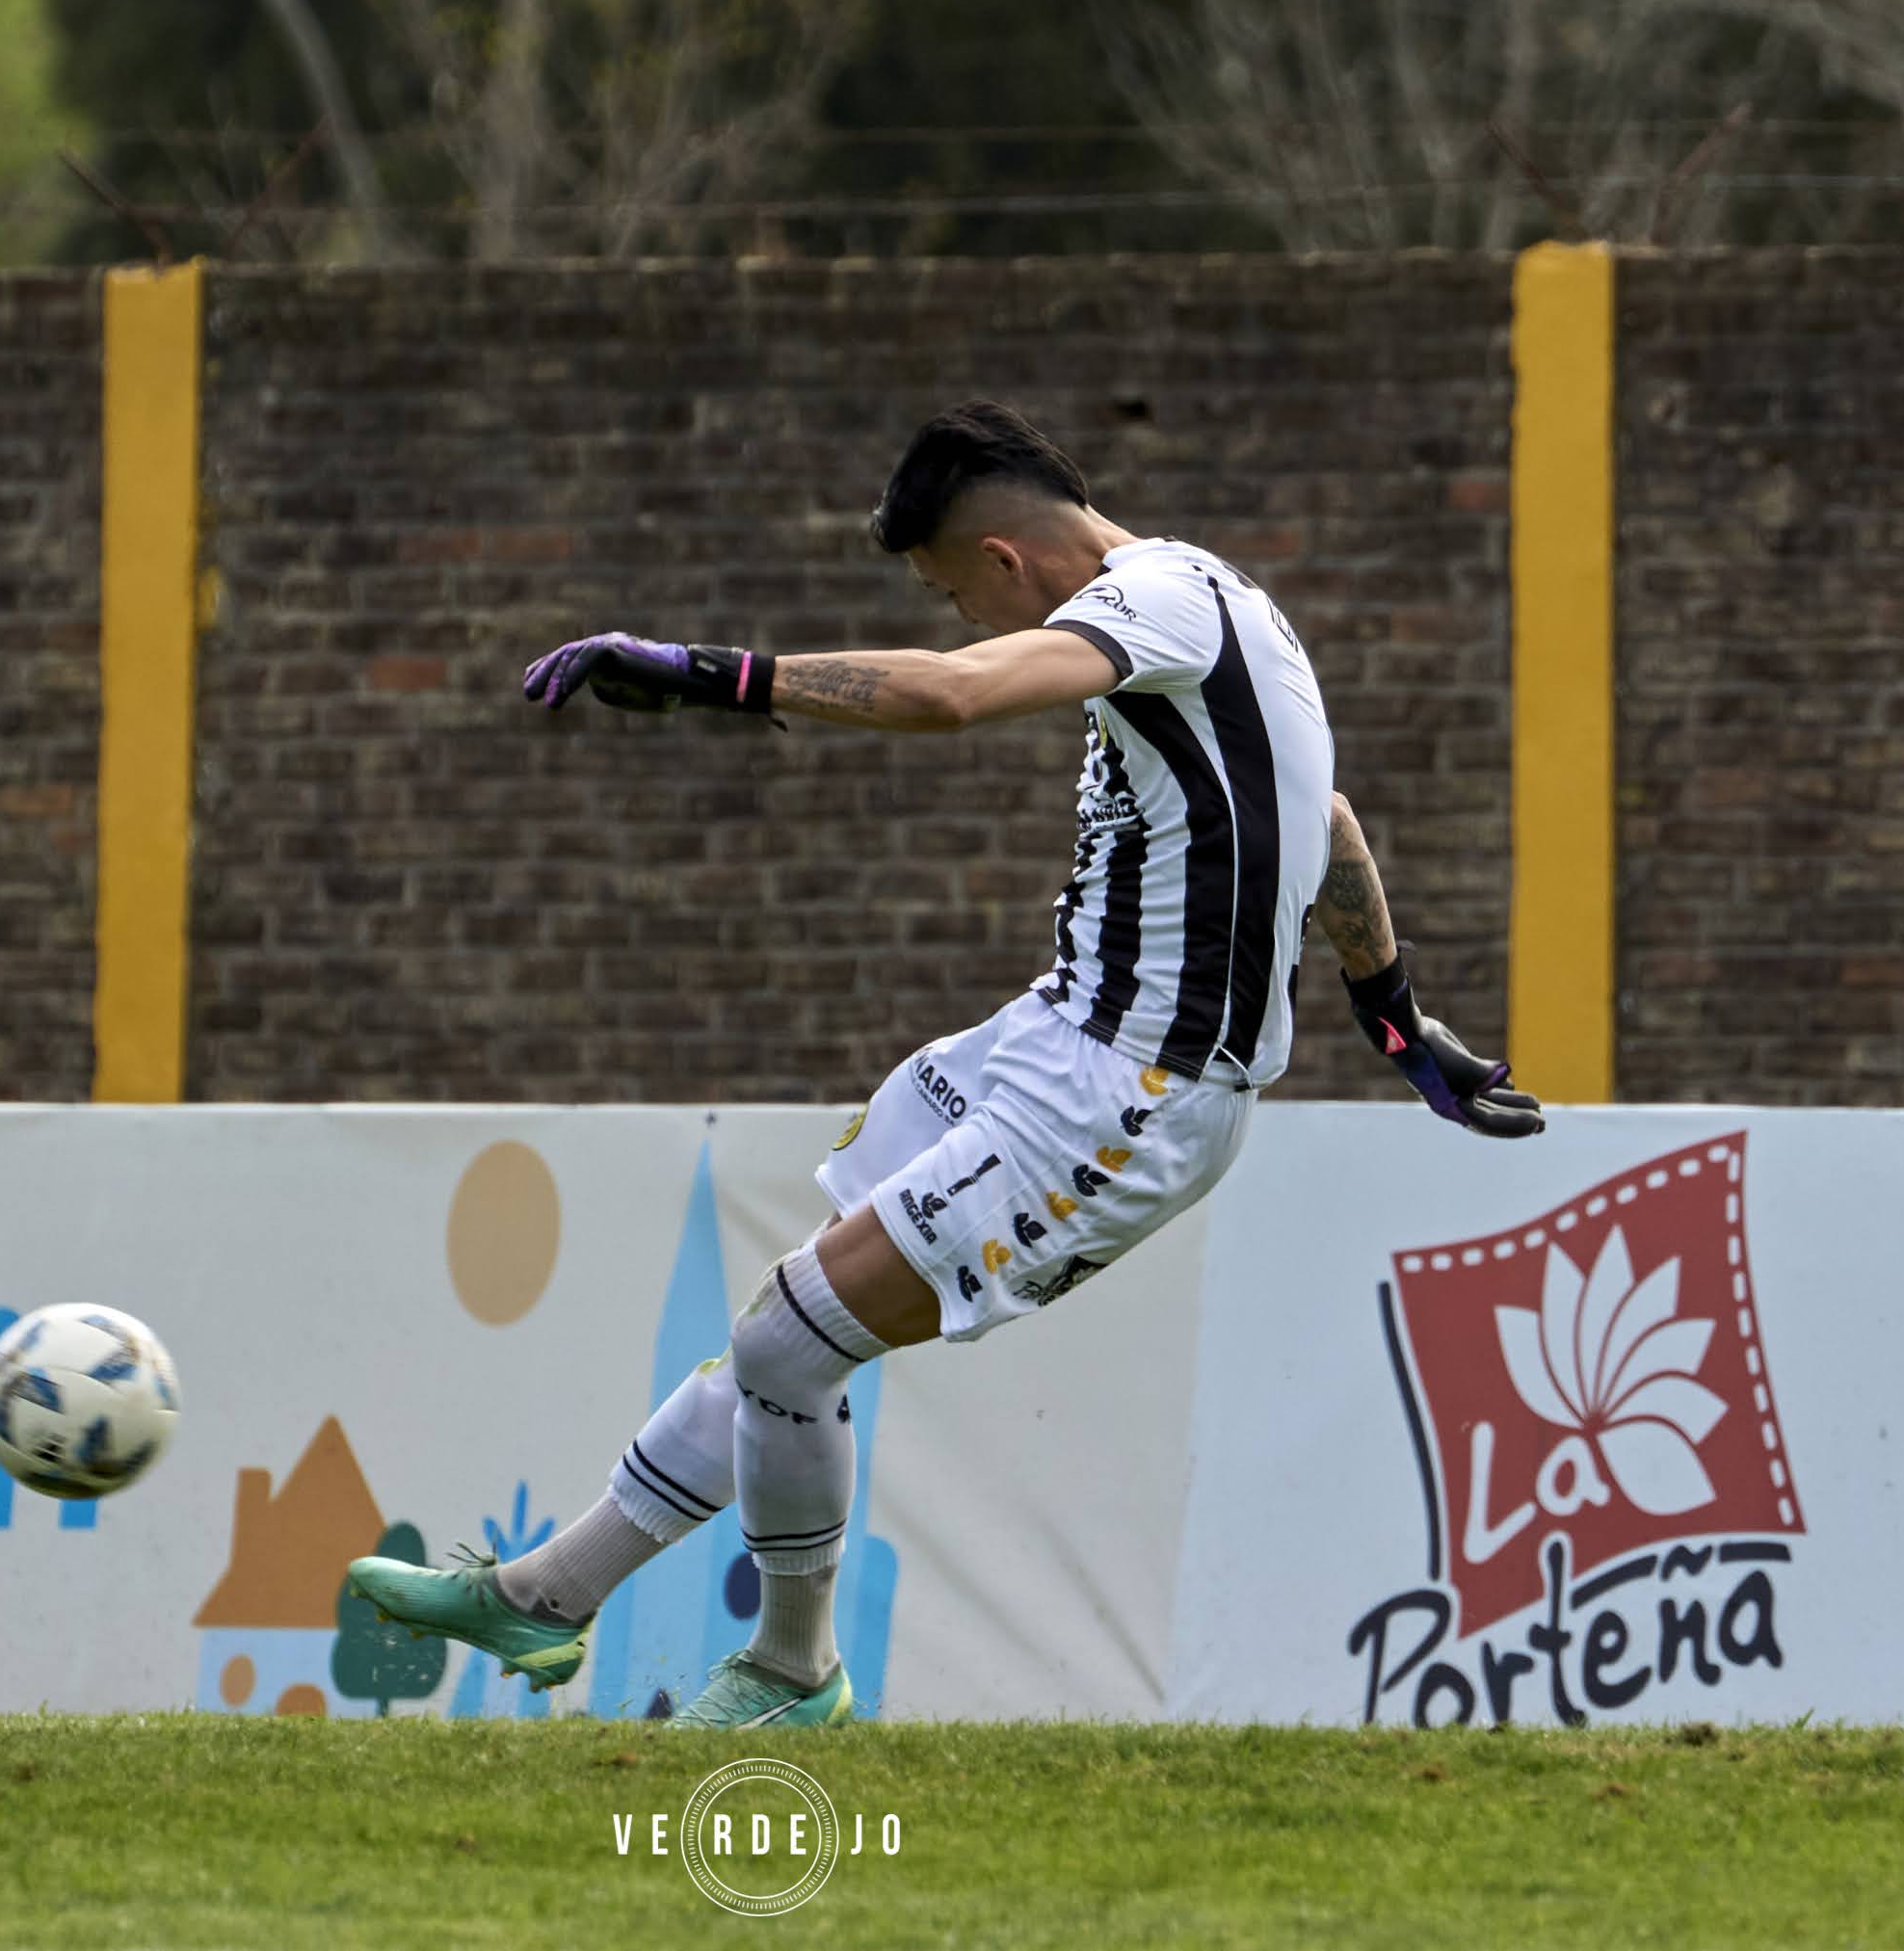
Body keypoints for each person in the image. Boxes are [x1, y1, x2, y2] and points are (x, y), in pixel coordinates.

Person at [346, 400, 1543, 1728]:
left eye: (950, 588)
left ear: (1005, 559)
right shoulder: (1217, 602)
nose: (968, 619)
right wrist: (1393, 1018)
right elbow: (1320, 818)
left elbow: (954, 695)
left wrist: (710, 676)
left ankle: (797, 1669)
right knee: (783, 1334)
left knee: (786, 1341)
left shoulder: (1150, 605)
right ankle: (542, 1595)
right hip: (1046, 1041)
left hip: (1126, 1098)